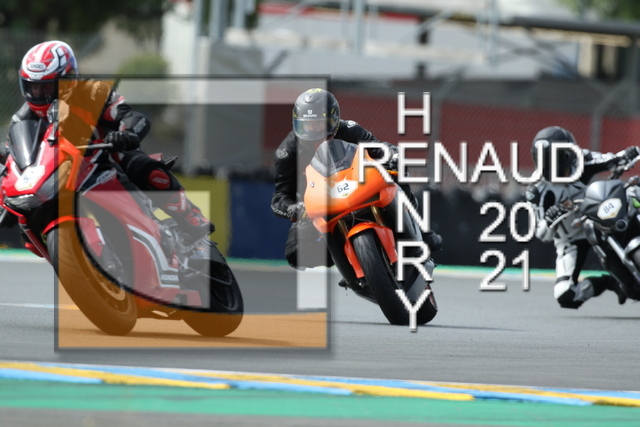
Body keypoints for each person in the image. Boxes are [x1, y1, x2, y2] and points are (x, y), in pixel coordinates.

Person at [0, 40, 212, 243]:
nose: (39, 94)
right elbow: (17, 159)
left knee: (141, 164)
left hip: (104, 158)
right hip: (60, 176)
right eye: (33, 87)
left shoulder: (93, 93)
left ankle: (189, 216)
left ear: (69, 80)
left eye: (47, 88)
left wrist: (127, 133)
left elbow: (132, 116)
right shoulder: (22, 119)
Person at [271, 88, 442, 275]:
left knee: (396, 173)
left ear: (333, 120)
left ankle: (419, 228)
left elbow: (379, 148)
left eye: (318, 124)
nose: (311, 131)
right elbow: (279, 197)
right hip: (317, 204)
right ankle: (345, 257)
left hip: (357, 185)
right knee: (295, 253)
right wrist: (292, 208)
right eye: (306, 125)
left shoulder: (349, 129)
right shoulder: (286, 152)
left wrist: (393, 155)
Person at [525, 125, 638, 309]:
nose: (547, 164)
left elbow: (610, 159)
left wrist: (625, 155)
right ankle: (610, 282)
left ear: (567, 154)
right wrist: (550, 220)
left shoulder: (582, 160)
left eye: (552, 157)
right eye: (542, 158)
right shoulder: (537, 191)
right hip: (571, 239)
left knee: (632, 196)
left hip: (601, 221)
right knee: (565, 295)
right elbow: (541, 233)